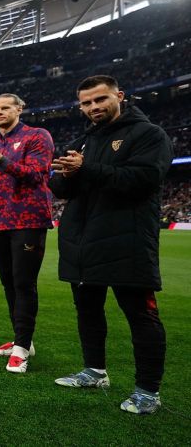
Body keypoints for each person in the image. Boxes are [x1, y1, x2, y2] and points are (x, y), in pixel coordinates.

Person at [49, 75, 171, 415]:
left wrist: (86, 169)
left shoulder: (149, 134)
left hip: (127, 240)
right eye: (86, 103)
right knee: (87, 310)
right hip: (82, 242)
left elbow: (143, 180)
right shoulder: (84, 140)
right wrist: (69, 174)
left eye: (100, 99)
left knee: (140, 316)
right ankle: (94, 371)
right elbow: (59, 188)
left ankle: (148, 392)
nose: (93, 108)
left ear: (120, 95)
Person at [0, 94, 54, 374]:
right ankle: (23, 340)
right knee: (8, 282)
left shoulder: (37, 136)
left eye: (5, 107)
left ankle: (21, 349)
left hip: (28, 220)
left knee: (23, 283)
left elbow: (35, 174)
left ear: (19, 109)